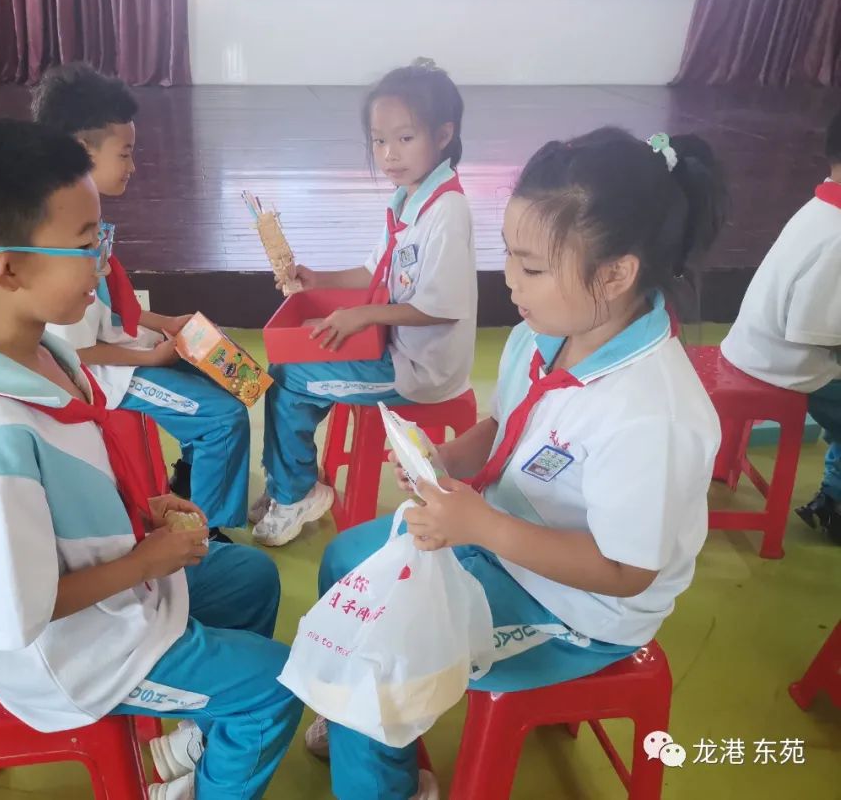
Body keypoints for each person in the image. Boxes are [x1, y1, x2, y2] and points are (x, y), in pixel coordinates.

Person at [304, 127, 726, 799]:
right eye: (508, 253)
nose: (507, 279)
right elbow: (503, 426)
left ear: (615, 274)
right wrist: (445, 457)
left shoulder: (653, 414)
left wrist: (482, 528)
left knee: (377, 633)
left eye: (532, 268)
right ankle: (371, 727)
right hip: (501, 542)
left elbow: (625, 572)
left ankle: (382, 776)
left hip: (578, 611)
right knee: (343, 564)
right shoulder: (542, 334)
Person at [0, 118, 301, 800]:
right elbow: (19, 611)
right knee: (276, 690)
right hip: (77, 657)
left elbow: (74, 492)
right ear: (8, 268)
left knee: (251, 578)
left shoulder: (46, 354)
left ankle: (201, 735)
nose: (101, 262)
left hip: (122, 595)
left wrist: (144, 511)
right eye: (83, 245)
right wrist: (146, 562)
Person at [253, 59, 477, 547]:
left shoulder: (447, 211)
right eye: (378, 141)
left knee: (289, 379)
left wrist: (363, 314)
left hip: (419, 372)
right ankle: (289, 479)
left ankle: (294, 493)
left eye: (405, 138)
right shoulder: (408, 201)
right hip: (393, 349)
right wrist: (318, 279)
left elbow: (442, 306)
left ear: (443, 135)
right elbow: (373, 271)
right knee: (288, 366)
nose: (389, 154)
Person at [32, 62, 249, 541]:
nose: (132, 166)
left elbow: (107, 306)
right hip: (104, 374)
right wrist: (151, 357)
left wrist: (165, 321)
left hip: (125, 348)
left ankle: (190, 484)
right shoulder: (62, 237)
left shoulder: (83, 216)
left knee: (229, 373)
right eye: (125, 154)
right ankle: (204, 538)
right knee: (224, 418)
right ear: (81, 150)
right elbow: (74, 351)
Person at [720, 108, 841, 544]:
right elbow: (815, 333)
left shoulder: (820, 208)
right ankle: (835, 503)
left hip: (760, 349)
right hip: (787, 365)